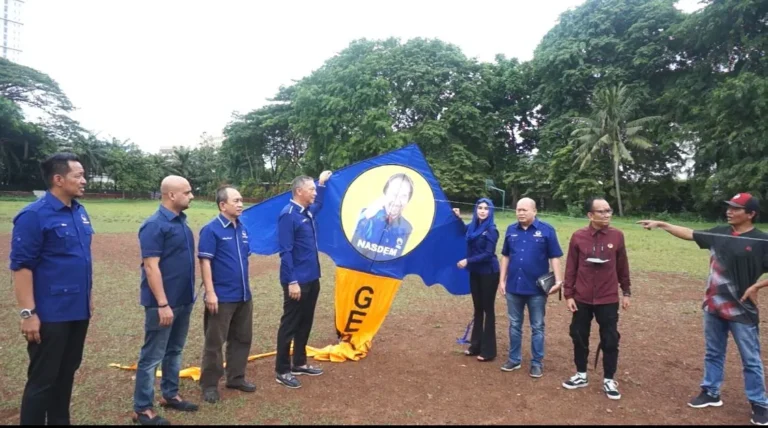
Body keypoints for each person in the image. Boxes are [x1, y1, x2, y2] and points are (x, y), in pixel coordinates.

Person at [638, 192, 768, 426]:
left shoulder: (761, 241)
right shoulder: (720, 232)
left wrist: (757, 286)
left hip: (742, 311)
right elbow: (690, 234)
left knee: (750, 359)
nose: (729, 211)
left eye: (736, 208)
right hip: (713, 307)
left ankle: (759, 403)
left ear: (751, 214)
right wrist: (663, 224)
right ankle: (711, 392)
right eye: (729, 207)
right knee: (713, 352)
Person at [10, 153, 93, 425]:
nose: (84, 180)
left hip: (77, 310)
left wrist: (88, 299)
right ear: (58, 179)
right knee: (43, 379)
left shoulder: (79, 212)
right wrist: (28, 313)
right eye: (78, 175)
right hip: (49, 313)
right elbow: (22, 267)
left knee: (66, 372)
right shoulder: (34, 215)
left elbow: (82, 260)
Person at [132, 175, 198, 425]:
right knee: (152, 356)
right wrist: (162, 304)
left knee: (175, 350)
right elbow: (151, 267)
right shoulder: (154, 225)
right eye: (187, 192)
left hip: (183, 300)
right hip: (162, 304)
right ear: (171, 195)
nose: (191, 196)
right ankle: (142, 409)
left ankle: (170, 394)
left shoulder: (181, 222)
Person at [562, 197, 631, 400]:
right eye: (601, 211)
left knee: (610, 338)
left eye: (608, 211)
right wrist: (568, 294)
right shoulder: (578, 237)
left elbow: (622, 266)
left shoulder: (617, 236)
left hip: (608, 298)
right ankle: (581, 374)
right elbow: (571, 267)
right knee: (578, 335)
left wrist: (626, 292)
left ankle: (609, 379)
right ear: (590, 215)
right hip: (582, 297)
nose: (607, 215)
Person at [198, 186, 256, 404]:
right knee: (214, 342)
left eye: (241, 200)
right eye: (236, 200)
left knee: (242, 338)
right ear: (223, 205)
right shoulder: (211, 230)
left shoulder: (241, 228)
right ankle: (210, 384)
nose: (241, 204)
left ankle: (236, 377)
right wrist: (210, 293)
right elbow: (205, 262)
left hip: (243, 295)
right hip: (221, 297)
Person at [275, 170, 333, 389]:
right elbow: (285, 251)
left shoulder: (305, 212)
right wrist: (291, 281)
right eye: (312, 189)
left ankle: (299, 362)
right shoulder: (288, 214)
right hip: (296, 281)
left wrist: (323, 183)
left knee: (305, 322)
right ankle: (282, 370)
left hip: (312, 278)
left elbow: (318, 206)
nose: (314, 193)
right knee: (289, 324)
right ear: (299, 191)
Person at [498, 197, 564, 377]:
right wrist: (501, 280)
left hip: (537, 289)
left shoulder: (546, 231)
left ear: (534, 211)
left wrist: (559, 281)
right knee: (514, 324)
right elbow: (505, 256)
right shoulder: (511, 230)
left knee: (537, 326)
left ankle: (536, 362)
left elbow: (554, 257)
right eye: (518, 210)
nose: (520, 213)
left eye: (524, 210)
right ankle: (514, 359)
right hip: (513, 287)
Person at [453, 198, 500, 362]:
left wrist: (468, 260)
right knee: (478, 309)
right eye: (480, 207)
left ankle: (489, 351)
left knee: (488, 309)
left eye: (486, 208)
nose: (482, 211)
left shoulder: (492, 230)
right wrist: (458, 218)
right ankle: (475, 346)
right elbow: (461, 231)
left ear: (490, 211)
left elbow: (488, 254)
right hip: (475, 272)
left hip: (489, 272)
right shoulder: (473, 227)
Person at [350, 172, 414, 261]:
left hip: (382, 274)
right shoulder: (366, 215)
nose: (397, 201)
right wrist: (364, 219)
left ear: (408, 200)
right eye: (394, 194)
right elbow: (352, 251)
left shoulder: (407, 227)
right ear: (385, 194)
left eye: (403, 196)